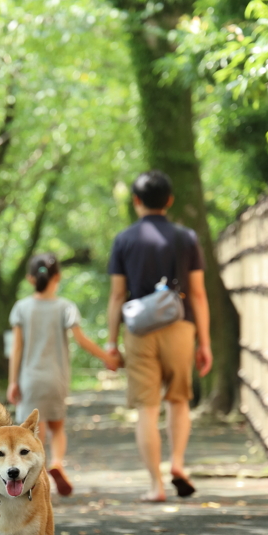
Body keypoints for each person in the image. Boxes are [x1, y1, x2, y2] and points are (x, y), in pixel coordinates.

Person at [106, 170, 212, 502]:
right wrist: (204, 342)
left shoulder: (123, 240)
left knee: (147, 409)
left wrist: (111, 343)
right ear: (169, 200)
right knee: (179, 400)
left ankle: (156, 485)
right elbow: (197, 293)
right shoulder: (186, 238)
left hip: (139, 330)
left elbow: (116, 296)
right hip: (180, 326)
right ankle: (178, 463)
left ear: (136, 201)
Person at [7, 252, 118, 496]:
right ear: (58, 276)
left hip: (29, 379)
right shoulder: (65, 306)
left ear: (29, 279)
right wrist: (107, 357)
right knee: (57, 427)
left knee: (34, 432)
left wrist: (12, 382)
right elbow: (81, 339)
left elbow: (16, 348)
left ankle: (40, 475)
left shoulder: (21, 308)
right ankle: (57, 463)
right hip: (56, 379)